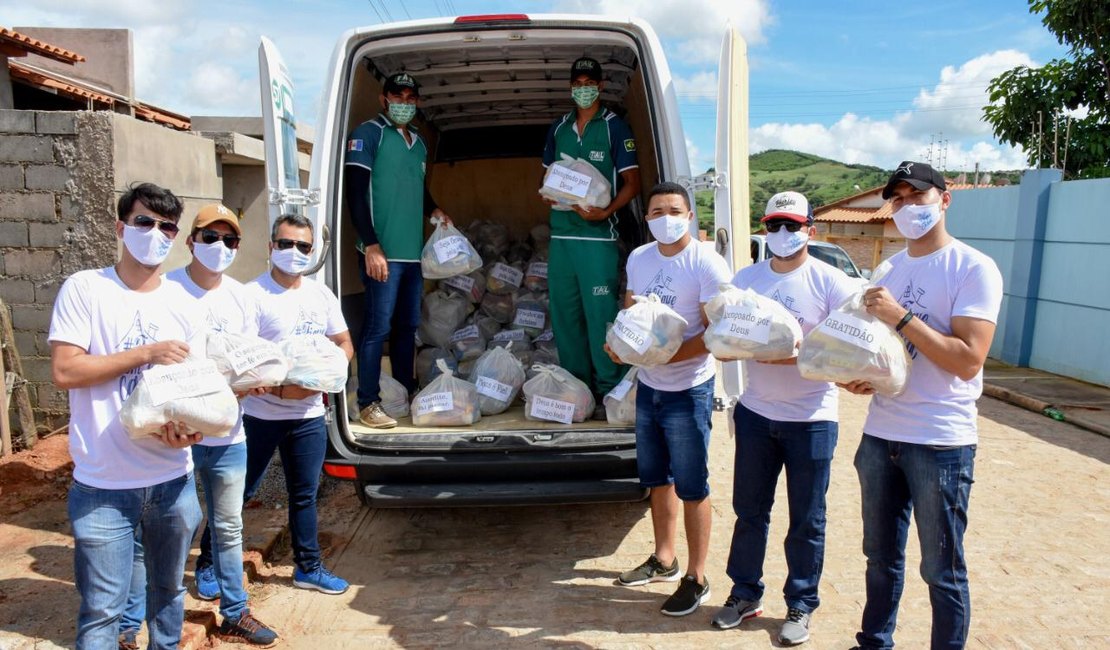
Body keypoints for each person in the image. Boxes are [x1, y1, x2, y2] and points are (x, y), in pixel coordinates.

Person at [842, 161, 1003, 650]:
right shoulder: (890, 267)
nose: (909, 207)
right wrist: (866, 377)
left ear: (944, 199)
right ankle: (874, 641)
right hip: (882, 433)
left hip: (940, 441)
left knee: (941, 569)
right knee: (879, 557)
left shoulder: (974, 268)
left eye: (919, 196)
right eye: (900, 198)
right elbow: (884, 349)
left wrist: (901, 314)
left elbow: (968, 360)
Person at [49, 183, 204, 649]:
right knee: (102, 611)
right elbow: (65, 369)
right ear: (121, 227)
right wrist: (146, 354)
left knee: (169, 595)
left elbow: (195, 389)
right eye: (144, 222)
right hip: (103, 485)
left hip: (173, 481)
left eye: (166, 227)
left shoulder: (183, 304)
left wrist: (190, 432)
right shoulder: (86, 289)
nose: (155, 233)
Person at [118, 204, 279, 647]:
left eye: (230, 240)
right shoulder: (166, 290)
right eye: (210, 237)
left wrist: (254, 383)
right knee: (158, 535)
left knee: (228, 527)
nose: (220, 247)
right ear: (190, 242)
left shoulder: (241, 297)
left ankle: (235, 612)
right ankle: (128, 627)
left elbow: (245, 359)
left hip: (229, 437)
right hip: (176, 443)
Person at [711, 192, 857, 645]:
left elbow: (847, 353)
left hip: (812, 419)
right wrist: (761, 350)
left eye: (792, 226)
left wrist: (786, 356)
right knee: (749, 512)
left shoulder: (833, 284)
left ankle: (800, 603)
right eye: (774, 225)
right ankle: (744, 593)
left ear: (811, 229)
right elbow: (724, 339)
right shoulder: (746, 280)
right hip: (756, 414)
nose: (782, 234)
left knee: (807, 518)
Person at [606, 182, 731, 616]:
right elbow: (630, 314)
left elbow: (718, 333)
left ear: (690, 215)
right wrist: (621, 345)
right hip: (650, 386)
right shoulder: (640, 258)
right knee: (658, 479)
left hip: (689, 390)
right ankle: (664, 559)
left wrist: (667, 354)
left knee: (693, 485)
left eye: (673, 210)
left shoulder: (707, 264)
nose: (665, 217)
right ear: (647, 218)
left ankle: (697, 577)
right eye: (657, 211)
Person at [237, 213, 355, 595]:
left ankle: (309, 567)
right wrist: (278, 391)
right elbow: (240, 361)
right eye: (285, 244)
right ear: (271, 247)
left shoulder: (320, 295)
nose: (294, 252)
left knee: (304, 495)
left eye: (303, 246)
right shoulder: (251, 295)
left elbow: (344, 344)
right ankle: (210, 564)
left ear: (312, 251)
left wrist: (320, 384)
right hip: (260, 417)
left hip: (307, 416)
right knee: (239, 492)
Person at [344, 72, 453, 429]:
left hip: (412, 255)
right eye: (397, 97)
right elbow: (356, 193)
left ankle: (405, 392)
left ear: (417, 102)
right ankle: (368, 402)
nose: (403, 104)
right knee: (378, 328)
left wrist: (434, 210)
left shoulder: (419, 143)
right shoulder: (369, 134)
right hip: (382, 254)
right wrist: (371, 245)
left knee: (407, 327)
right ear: (383, 99)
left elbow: (417, 188)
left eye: (410, 98)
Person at [542, 56, 642, 417]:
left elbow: (633, 183)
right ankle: (576, 392)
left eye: (590, 83)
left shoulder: (615, 127)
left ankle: (609, 391)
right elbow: (548, 179)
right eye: (578, 82)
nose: (583, 89)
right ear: (571, 86)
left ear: (600, 87)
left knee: (600, 316)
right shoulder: (559, 128)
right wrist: (553, 196)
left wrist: (606, 211)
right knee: (565, 318)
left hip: (599, 239)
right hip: (562, 239)